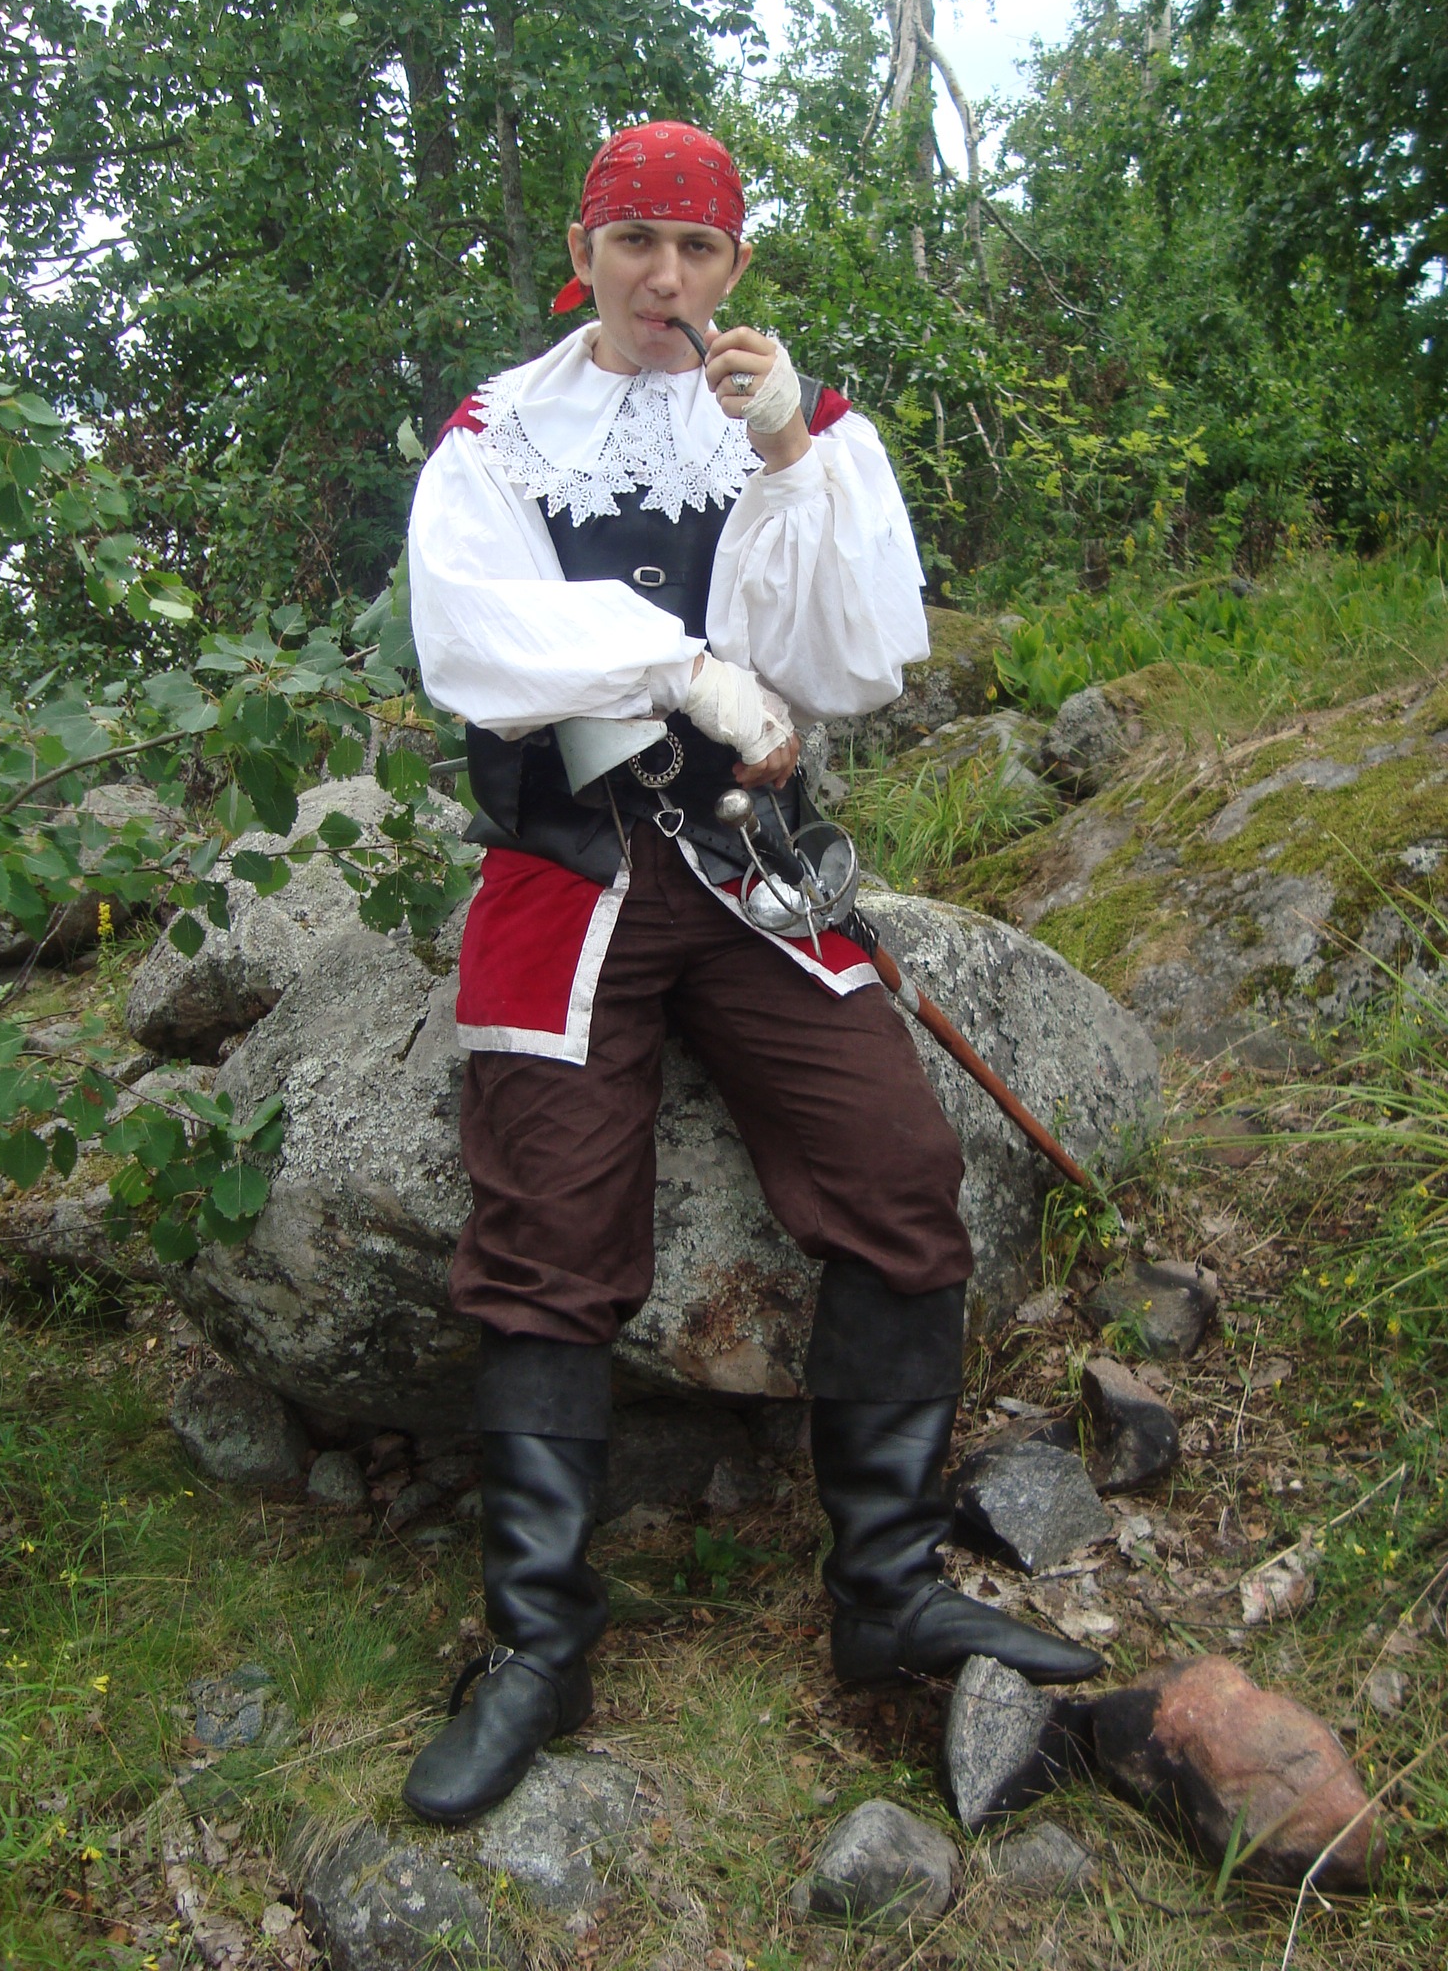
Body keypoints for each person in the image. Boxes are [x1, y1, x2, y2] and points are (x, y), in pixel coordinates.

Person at [401, 120, 1100, 1827]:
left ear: (735, 265)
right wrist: (679, 671)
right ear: (586, 251)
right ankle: (540, 1647)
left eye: (697, 248)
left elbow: (852, 659)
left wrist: (789, 454)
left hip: (745, 867)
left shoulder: (788, 426)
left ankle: (887, 1592)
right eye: (635, 243)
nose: (665, 279)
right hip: (567, 870)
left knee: (901, 1172)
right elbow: (472, 638)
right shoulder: (499, 435)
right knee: (547, 1237)